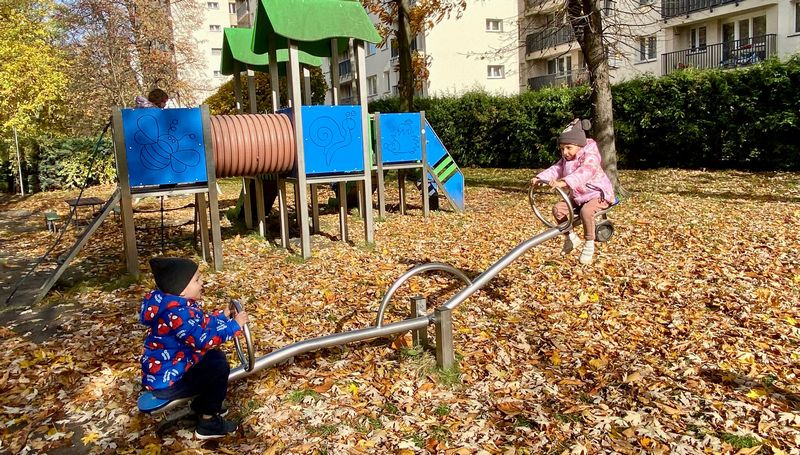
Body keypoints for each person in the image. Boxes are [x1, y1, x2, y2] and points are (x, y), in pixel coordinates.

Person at [139, 257, 248, 439]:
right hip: (168, 382)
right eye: (197, 280)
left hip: (168, 373)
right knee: (217, 368)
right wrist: (233, 326)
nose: (202, 282)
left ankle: (203, 405)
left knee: (213, 359)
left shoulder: (175, 305)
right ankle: (208, 422)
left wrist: (223, 316)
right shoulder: (176, 314)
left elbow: (201, 324)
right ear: (182, 289)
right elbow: (202, 339)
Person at [531, 119, 615, 265]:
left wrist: (564, 182)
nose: (565, 152)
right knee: (558, 210)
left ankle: (589, 244)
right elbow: (556, 169)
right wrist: (540, 178)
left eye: (568, 148)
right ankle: (571, 237)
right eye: (562, 149)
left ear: (579, 145)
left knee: (586, 212)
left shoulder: (590, 156)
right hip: (579, 196)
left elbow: (586, 171)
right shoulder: (566, 159)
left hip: (598, 195)